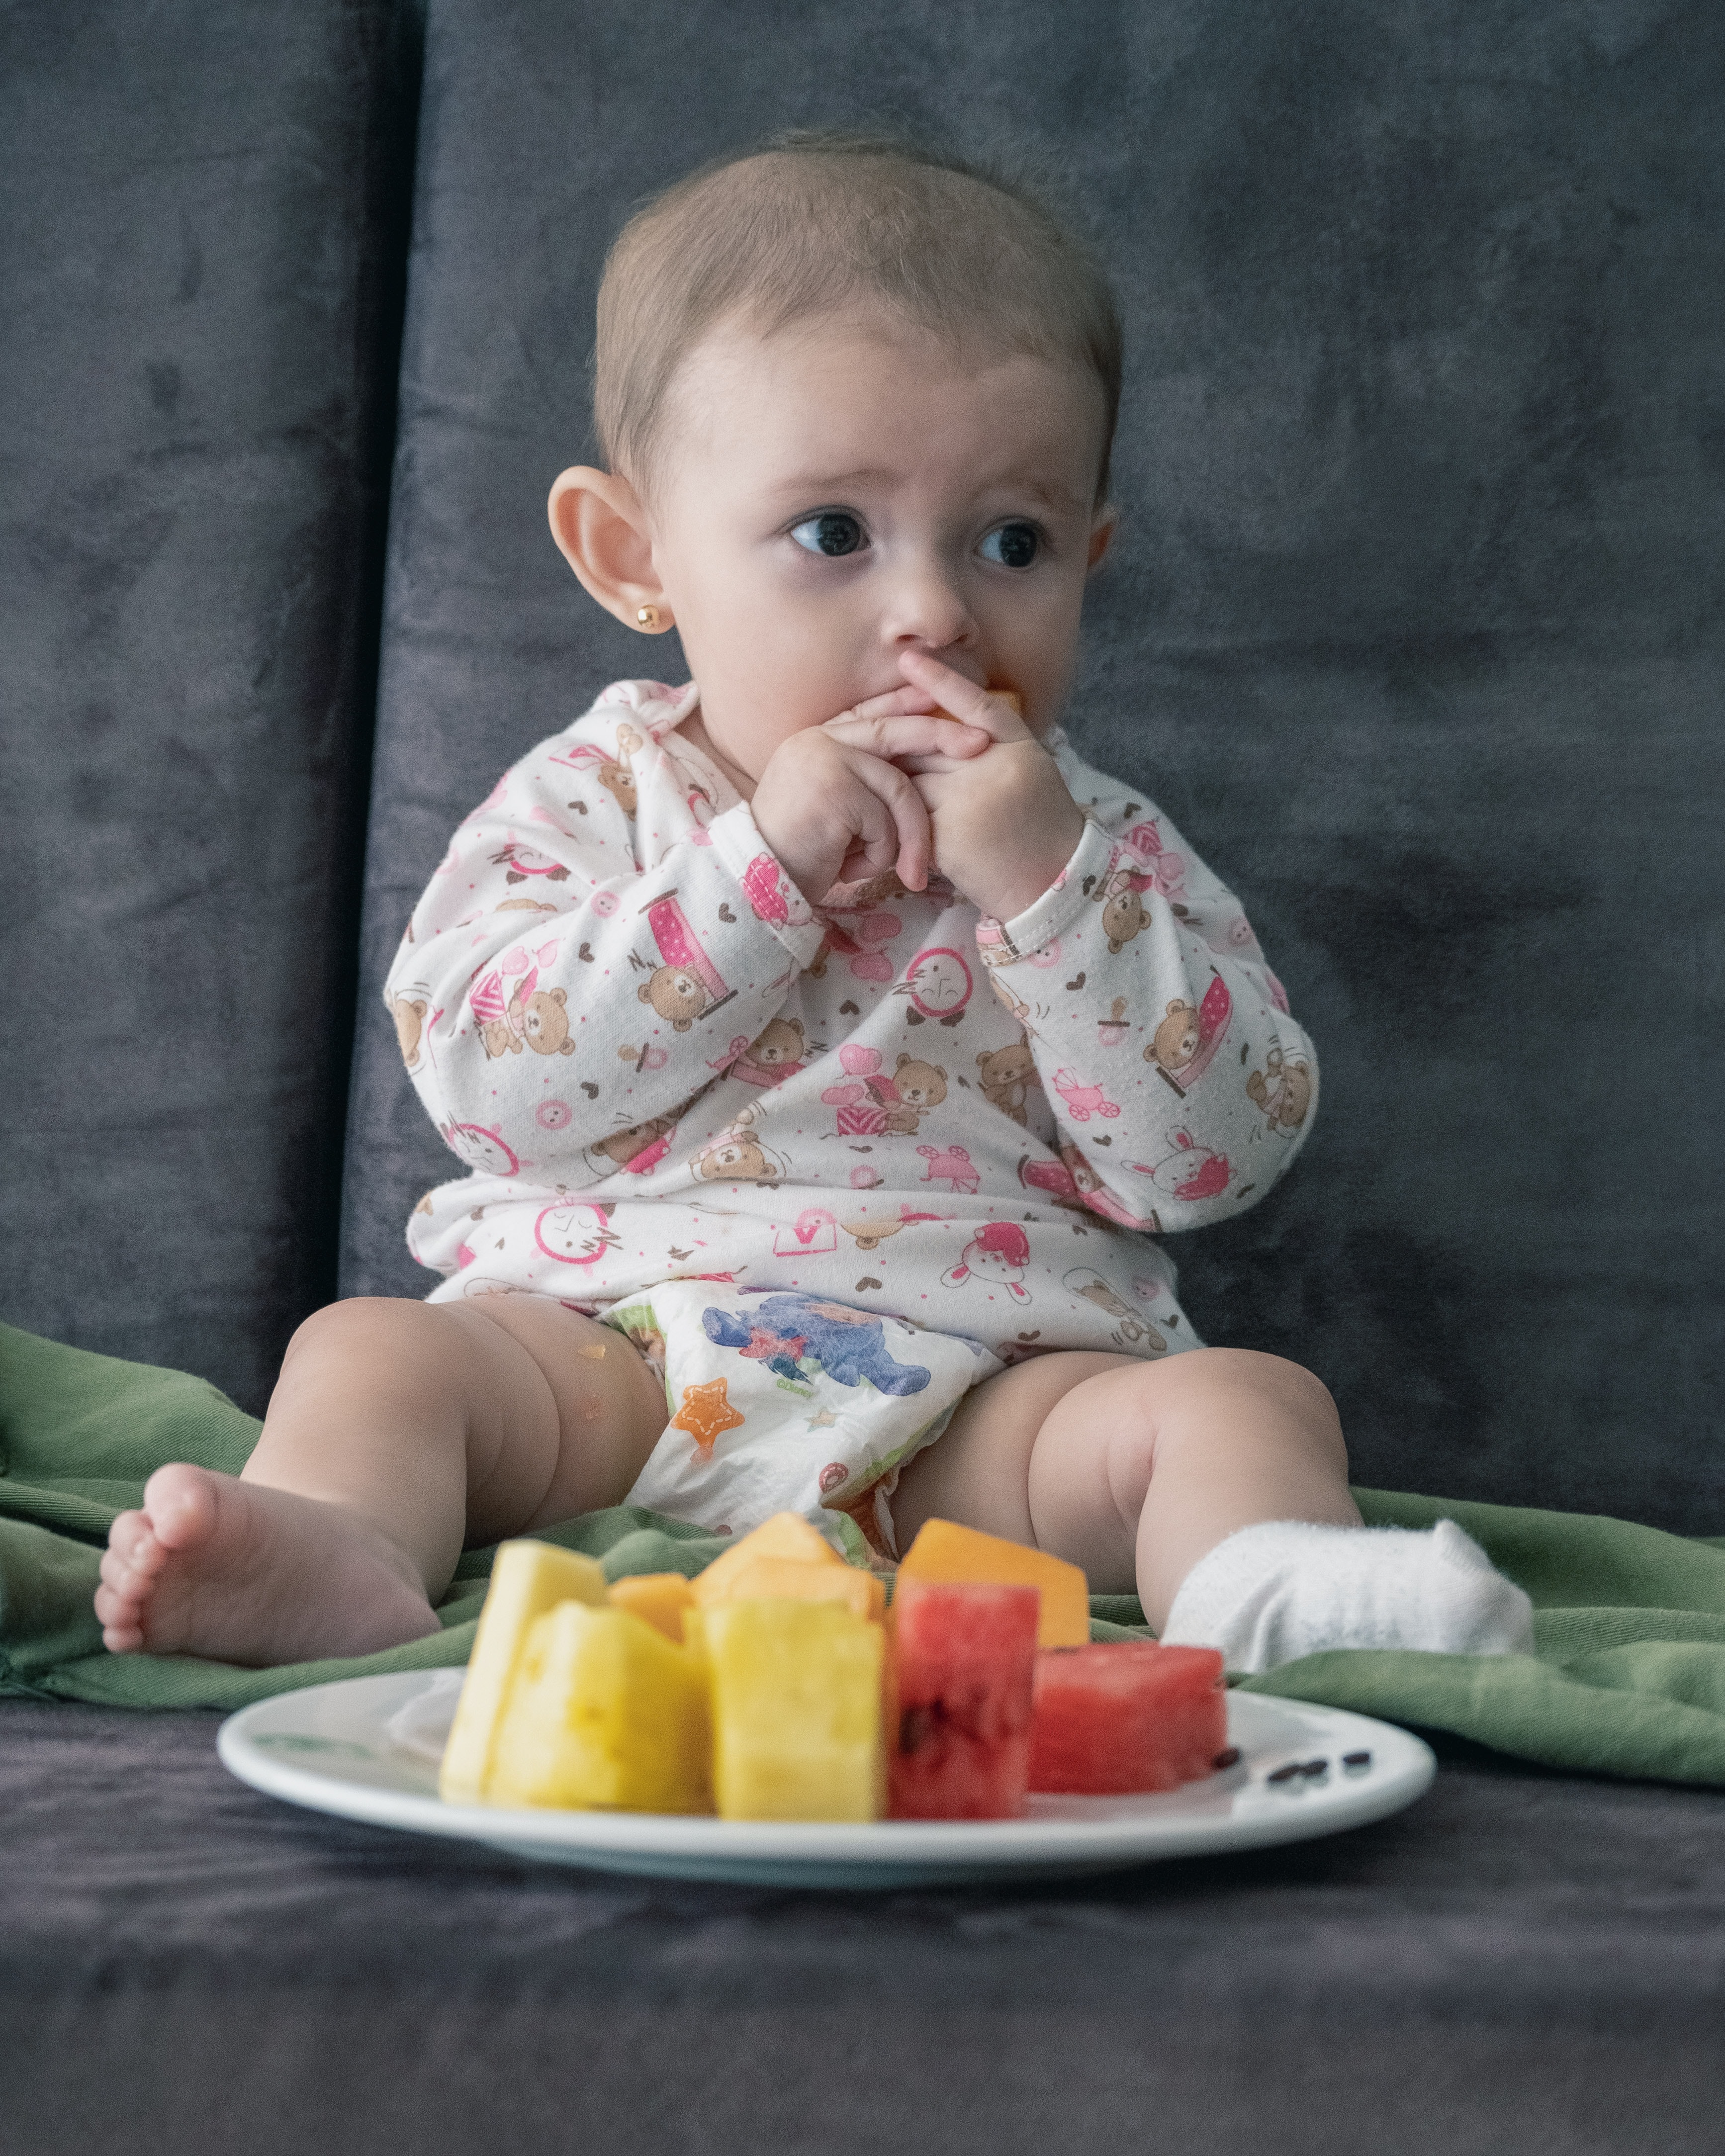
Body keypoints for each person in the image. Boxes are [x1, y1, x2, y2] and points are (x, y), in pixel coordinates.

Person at [95, 132, 1532, 1674]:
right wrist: (753, 876)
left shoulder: (1093, 843)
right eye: (835, 534)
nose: (935, 612)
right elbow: (488, 1086)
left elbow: (1216, 1158)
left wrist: (1046, 890)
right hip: (614, 1355)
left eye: (1013, 542)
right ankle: (347, 1550)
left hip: (987, 1401)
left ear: (1091, 562)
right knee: (372, 1353)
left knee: (1249, 1403)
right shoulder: (604, 795)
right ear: (635, 555)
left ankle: (1271, 1597)